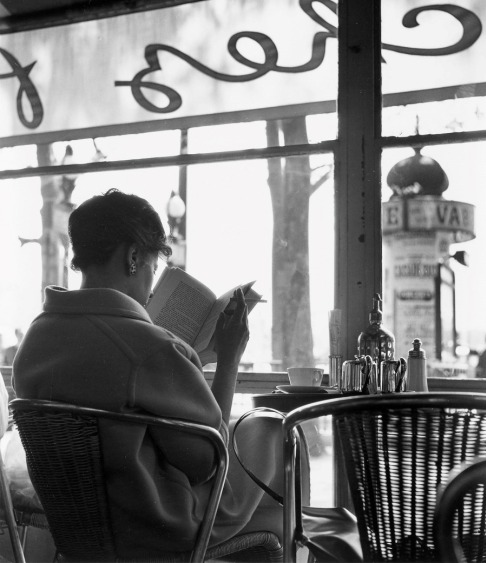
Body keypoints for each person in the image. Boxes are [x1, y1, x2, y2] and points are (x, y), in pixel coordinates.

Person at [13, 188, 285, 559]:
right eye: (153, 269)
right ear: (134, 256)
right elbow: (206, 462)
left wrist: (192, 361)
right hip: (156, 528)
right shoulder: (147, 347)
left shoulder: (37, 338)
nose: (149, 287)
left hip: (79, 529)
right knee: (268, 426)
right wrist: (228, 359)